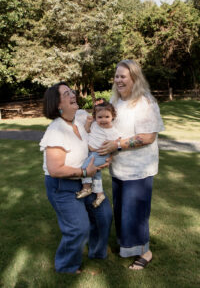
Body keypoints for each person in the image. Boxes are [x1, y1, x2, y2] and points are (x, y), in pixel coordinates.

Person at [97, 59, 164, 270]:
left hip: (139, 169)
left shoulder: (145, 102)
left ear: (134, 78)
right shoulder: (115, 101)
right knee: (122, 211)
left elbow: (147, 137)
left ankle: (145, 252)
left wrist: (116, 144)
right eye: (116, 76)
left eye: (123, 76)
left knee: (136, 212)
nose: (118, 80)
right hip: (119, 167)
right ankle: (127, 246)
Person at [39, 82, 112, 274]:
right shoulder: (56, 130)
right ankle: (66, 266)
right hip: (62, 186)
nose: (73, 94)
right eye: (66, 93)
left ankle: (96, 253)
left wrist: (104, 155)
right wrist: (85, 172)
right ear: (57, 104)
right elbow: (55, 169)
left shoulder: (79, 118)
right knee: (79, 228)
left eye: (72, 91)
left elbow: (102, 118)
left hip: (85, 183)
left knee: (103, 215)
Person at [76, 99, 119, 208]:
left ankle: (86, 188)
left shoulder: (112, 131)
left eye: (107, 117)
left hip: (100, 154)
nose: (103, 120)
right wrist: (88, 123)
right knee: (96, 174)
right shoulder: (94, 124)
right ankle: (100, 194)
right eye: (100, 117)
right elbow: (86, 130)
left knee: (86, 168)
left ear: (112, 116)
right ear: (95, 117)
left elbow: (115, 145)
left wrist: (111, 155)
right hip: (92, 153)